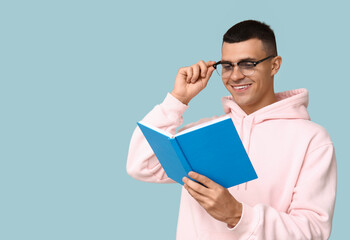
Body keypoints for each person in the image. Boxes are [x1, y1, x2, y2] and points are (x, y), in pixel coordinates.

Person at [126, 20, 337, 239]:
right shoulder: (204, 133)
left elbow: (313, 232)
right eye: (227, 66)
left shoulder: (312, 140)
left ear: (274, 65)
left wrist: (237, 215)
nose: (235, 76)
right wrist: (178, 99)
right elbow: (141, 164)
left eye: (248, 64)